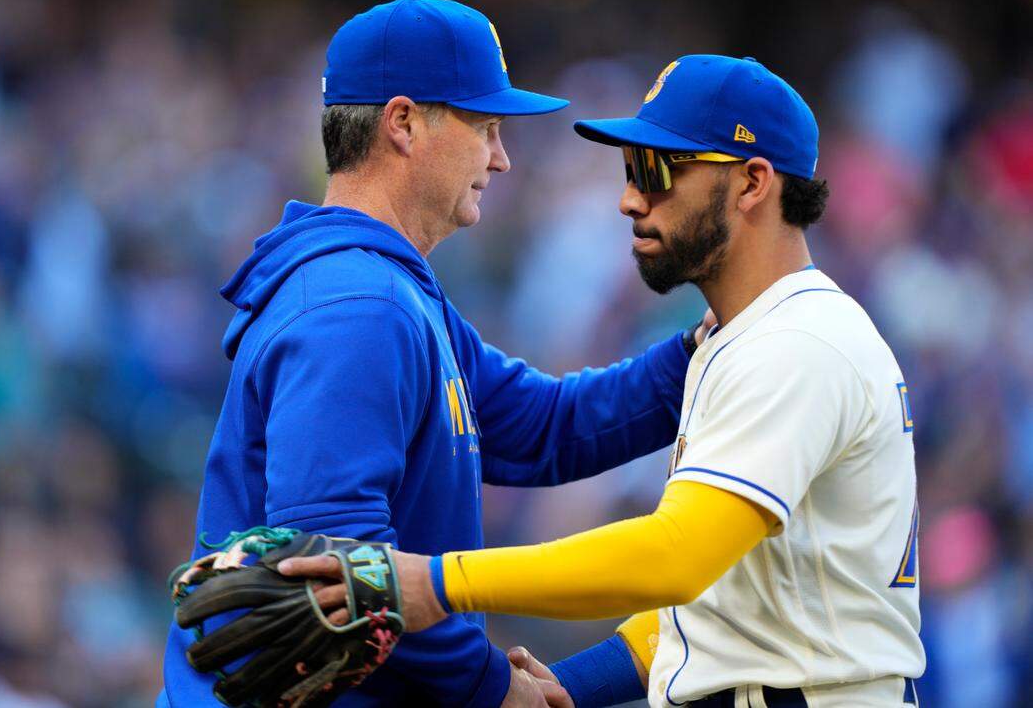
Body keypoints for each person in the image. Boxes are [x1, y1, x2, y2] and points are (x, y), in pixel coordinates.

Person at [287, 55, 925, 707]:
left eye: (656, 170)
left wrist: (439, 583)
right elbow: (724, 605)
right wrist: (569, 685)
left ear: (753, 183)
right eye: (630, 171)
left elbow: (673, 556)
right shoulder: (750, 337)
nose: (629, 198)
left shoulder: (796, 344)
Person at [160, 0, 707, 707]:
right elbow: (340, 571)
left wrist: (702, 353)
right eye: (484, 126)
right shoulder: (357, 307)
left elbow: (544, 427)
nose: (503, 158)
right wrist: (486, 684)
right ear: (404, 123)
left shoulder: (389, 290)